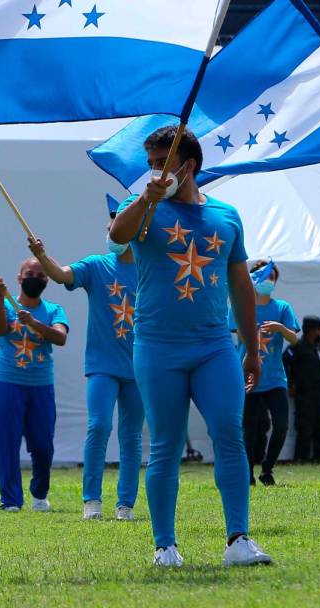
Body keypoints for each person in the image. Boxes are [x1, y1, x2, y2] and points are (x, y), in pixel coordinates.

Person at [109, 125, 272, 567]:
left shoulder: (227, 215)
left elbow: (241, 286)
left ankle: (238, 539)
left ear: (189, 165)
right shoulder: (142, 207)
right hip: (157, 347)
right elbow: (118, 236)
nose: (155, 172)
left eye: (163, 163)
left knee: (230, 435)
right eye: (151, 165)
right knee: (165, 443)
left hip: (215, 346)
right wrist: (147, 196)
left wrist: (252, 349)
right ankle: (166, 546)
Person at [28, 196, 142, 521]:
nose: (110, 230)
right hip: (103, 366)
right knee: (99, 425)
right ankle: (91, 500)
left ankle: (126, 504)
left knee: (132, 435)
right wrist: (40, 256)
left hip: (139, 367)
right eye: (109, 225)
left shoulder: (150, 269)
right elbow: (62, 275)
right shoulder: (97, 265)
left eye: (116, 224)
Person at [0, 258, 69, 512]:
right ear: (19, 277)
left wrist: (34, 323)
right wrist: (1, 298)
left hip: (40, 385)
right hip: (6, 381)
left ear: (47, 281)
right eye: (29, 273)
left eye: (40, 275)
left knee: (43, 444)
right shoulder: (4, 305)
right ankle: (10, 500)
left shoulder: (54, 310)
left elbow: (60, 337)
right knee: (7, 441)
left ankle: (39, 492)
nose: (34, 278)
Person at [237, 261, 299, 486]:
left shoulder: (283, 307)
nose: (269, 281)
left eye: (273, 277)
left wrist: (280, 328)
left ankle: (267, 467)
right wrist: (251, 327)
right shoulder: (241, 305)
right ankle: (247, 474)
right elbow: (240, 339)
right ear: (253, 279)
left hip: (275, 379)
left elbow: (294, 338)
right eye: (265, 276)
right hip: (248, 377)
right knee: (249, 429)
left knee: (281, 425)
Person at [283, 315, 320, 462]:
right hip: (305, 394)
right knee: (305, 427)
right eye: (318, 329)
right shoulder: (297, 346)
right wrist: (290, 384)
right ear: (310, 330)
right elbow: (284, 362)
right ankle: (301, 459)